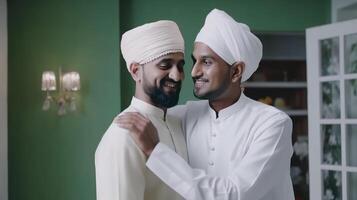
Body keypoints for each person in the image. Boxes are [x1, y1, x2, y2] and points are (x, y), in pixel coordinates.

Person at [117, 9, 294, 200]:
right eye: (194, 61)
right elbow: (148, 116)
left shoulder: (272, 123)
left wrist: (155, 151)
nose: (194, 72)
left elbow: (234, 195)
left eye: (206, 62)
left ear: (236, 71)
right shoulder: (184, 116)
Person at [95, 20, 187, 200]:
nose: (177, 75)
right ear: (136, 71)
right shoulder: (123, 136)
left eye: (180, 65)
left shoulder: (177, 123)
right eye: (164, 65)